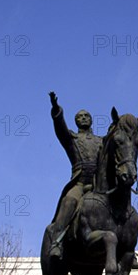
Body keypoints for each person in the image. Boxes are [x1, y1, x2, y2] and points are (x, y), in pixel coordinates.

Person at [48, 92, 103, 259]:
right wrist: (56, 110)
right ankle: (56, 243)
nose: (84, 118)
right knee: (69, 202)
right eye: (80, 116)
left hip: (98, 185)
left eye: (87, 116)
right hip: (79, 184)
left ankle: (127, 246)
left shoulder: (101, 140)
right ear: (76, 121)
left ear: (92, 120)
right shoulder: (71, 139)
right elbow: (60, 129)